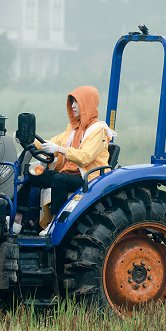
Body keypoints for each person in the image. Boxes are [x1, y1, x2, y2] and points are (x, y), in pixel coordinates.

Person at [29, 85, 117, 229]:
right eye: (72, 102)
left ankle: (55, 225)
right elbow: (52, 143)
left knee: (59, 180)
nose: (73, 106)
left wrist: (60, 149)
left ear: (87, 104)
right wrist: (30, 140)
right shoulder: (73, 128)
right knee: (33, 174)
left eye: (77, 102)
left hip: (87, 177)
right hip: (69, 173)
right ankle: (21, 221)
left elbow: (85, 157)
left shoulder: (99, 130)